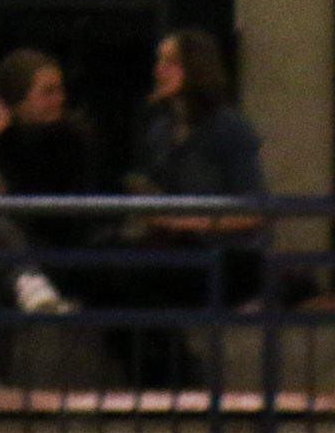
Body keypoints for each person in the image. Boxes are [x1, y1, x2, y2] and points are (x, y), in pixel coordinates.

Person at [95, 29, 266, 387]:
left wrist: (181, 221)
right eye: (159, 61)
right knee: (104, 265)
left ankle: (178, 374)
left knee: (131, 279)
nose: (159, 70)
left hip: (227, 257)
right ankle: (158, 375)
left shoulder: (229, 128)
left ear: (195, 67)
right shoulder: (161, 130)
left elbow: (253, 211)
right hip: (177, 248)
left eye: (170, 62)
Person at [0, 48, 99, 315]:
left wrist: (8, 185)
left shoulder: (74, 138)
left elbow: (61, 212)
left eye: (60, 89)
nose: (59, 99)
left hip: (47, 243)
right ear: (15, 100)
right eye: (48, 92)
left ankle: (26, 280)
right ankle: (27, 280)